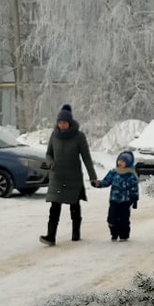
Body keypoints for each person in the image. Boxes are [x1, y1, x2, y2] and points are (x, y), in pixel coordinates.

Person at [40, 104, 98, 246]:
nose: (62, 125)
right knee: (54, 207)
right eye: (59, 123)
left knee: (74, 206)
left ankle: (76, 232)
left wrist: (93, 177)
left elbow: (86, 158)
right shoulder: (54, 135)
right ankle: (51, 236)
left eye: (64, 123)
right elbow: (48, 154)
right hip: (57, 177)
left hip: (73, 177)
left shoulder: (79, 137)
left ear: (69, 122)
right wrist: (50, 162)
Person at [95, 150, 140, 241]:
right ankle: (114, 233)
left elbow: (134, 188)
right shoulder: (113, 172)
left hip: (126, 201)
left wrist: (134, 200)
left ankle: (124, 235)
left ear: (128, 163)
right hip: (114, 200)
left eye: (123, 161)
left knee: (124, 219)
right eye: (119, 161)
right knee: (112, 219)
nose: (120, 163)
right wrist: (98, 184)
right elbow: (106, 181)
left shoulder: (131, 175)